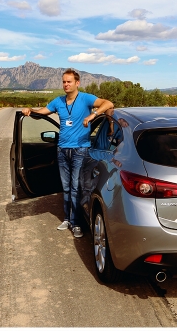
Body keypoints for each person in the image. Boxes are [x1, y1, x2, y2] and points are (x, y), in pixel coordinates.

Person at [21, 68, 114, 238]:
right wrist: (29, 111)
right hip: (62, 150)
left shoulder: (86, 98)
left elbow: (108, 103)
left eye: (69, 81)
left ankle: (77, 222)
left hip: (80, 150)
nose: (66, 84)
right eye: (64, 82)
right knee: (65, 187)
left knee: (76, 187)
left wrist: (93, 115)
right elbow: (41, 113)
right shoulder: (58, 101)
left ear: (77, 83)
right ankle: (67, 219)